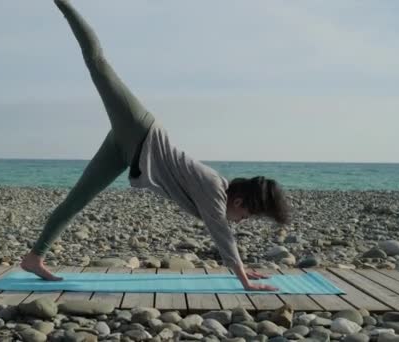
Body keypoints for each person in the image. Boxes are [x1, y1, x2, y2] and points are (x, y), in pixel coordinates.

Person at [21, 0, 290, 291]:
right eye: (246, 216)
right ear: (238, 202)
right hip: (139, 129)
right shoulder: (214, 189)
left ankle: (34, 258)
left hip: (129, 152)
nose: (241, 221)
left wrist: (244, 270)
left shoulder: (215, 193)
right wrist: (245, 282)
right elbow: (223, 235)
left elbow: (225, 236)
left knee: (78, 199)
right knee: (97, 62)